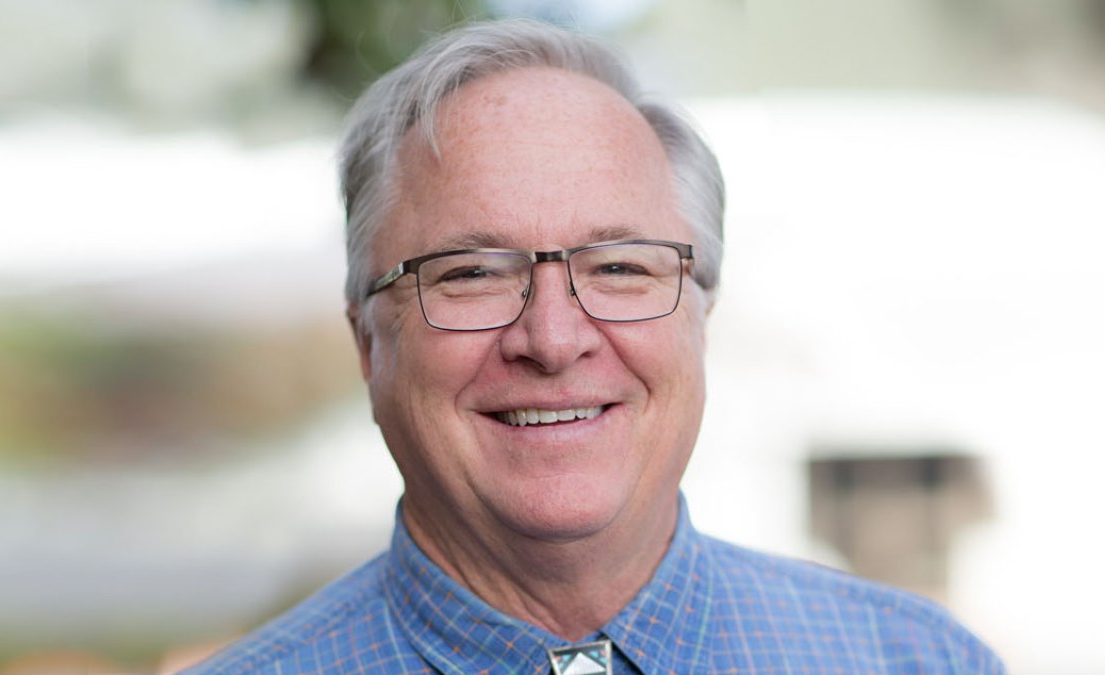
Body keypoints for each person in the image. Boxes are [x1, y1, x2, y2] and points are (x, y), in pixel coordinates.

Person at [183, 19, 1004, 674]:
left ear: (700, 320)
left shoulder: (922, 662)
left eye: (618, 266)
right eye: (471, 272)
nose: (552, 337)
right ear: (368, 340)